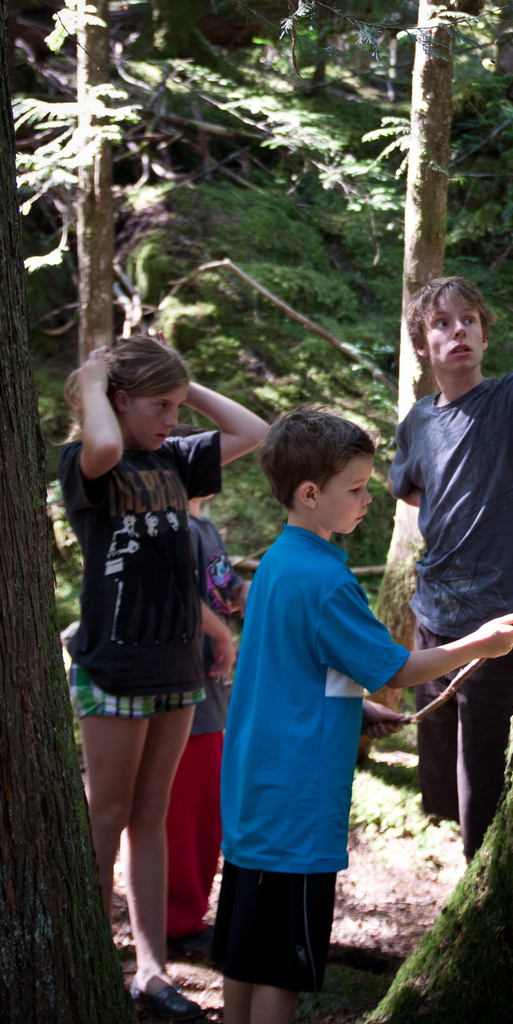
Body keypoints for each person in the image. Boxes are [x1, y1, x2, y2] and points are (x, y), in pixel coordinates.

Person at [212, 408, 513, 1024]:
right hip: (298, 805)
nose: (367, 500)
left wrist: (356, 706)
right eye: (354, 490)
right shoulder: (327, 581)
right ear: (310, 494)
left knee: (245, 952)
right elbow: (398, 667)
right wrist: (479, 644)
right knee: (281, 968)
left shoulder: (278, 562)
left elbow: (300, 667)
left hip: (255, 790)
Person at [58, 337, 267, 1021]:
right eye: (160, 406)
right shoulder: (88, 466)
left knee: (150, 818)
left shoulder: (178, 459)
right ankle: (86, 957)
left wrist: (186, 382)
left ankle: (151, 968)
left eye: (178, 407)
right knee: (106, 816)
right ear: (118, 402)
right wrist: (92, 379)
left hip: (177, 668)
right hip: (113, 667)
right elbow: (106, 447)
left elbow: (254, 432)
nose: (174, 420)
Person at [388, 275, 513, 861]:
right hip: (433, 609)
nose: (459, 332)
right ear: (424, 345)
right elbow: (407, 489)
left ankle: (479, 875)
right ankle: (456, 849)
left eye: (469, 321)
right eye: (442, 324)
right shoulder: (418, 423)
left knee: (483, 767)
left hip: (497, 618)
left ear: (484, 333)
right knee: (438, 751)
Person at [166, 491, 249, 954]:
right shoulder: (172, 526)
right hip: (186, 687)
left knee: (206, 810)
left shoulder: (204, 528)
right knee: (187, 811)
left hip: (211, 691)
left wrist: (251, 593)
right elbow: (174, 592)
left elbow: (225, 587)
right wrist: (221, 635)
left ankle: (187, 914)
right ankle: (175, 923)